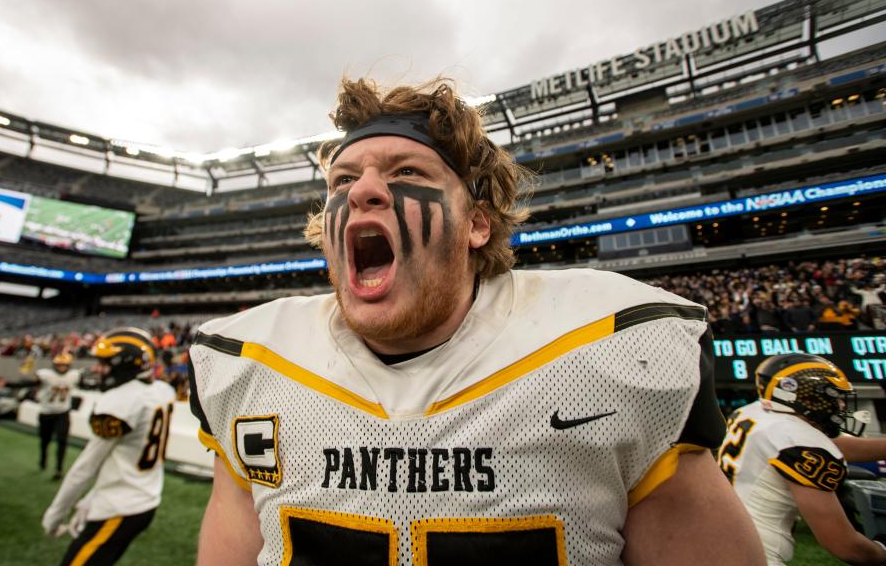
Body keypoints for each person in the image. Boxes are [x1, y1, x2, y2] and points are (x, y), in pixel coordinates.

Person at [188, 77, 765, 565]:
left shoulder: (611, 348)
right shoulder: (246, 362)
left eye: (407, 172)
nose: (363, 190)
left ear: (477, 224)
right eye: (342, 180)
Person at [718, 353, 886, 565]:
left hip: (720, 542)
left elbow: (823, 445)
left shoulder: (751, 413)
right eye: (833, 396)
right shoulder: (800, 441)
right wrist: (880, 550)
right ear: (804, 398)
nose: (841, 406)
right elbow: (845, 546)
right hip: (756, 554)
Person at [42, 327, 175, 566]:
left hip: (120, 507)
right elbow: (122, 457)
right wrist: (91, 500)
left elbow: (85, 468)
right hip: (144, 498)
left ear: (125, 364)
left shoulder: (120, 401)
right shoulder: (162, 391)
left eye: (104, 363)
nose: (96, 369)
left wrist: (55, 515)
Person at [10, 352, 85, 479]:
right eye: (59, 365)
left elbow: (84, 382)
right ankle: (43, 459)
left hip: (63, 412)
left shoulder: (74, 375)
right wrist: (9, 384)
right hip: (46, 412)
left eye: (64, 365)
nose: (62, 368)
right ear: (54, 365)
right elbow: (29, 382)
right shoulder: (46, 375)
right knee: (45, 440)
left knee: (62, 440)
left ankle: (59, 469)